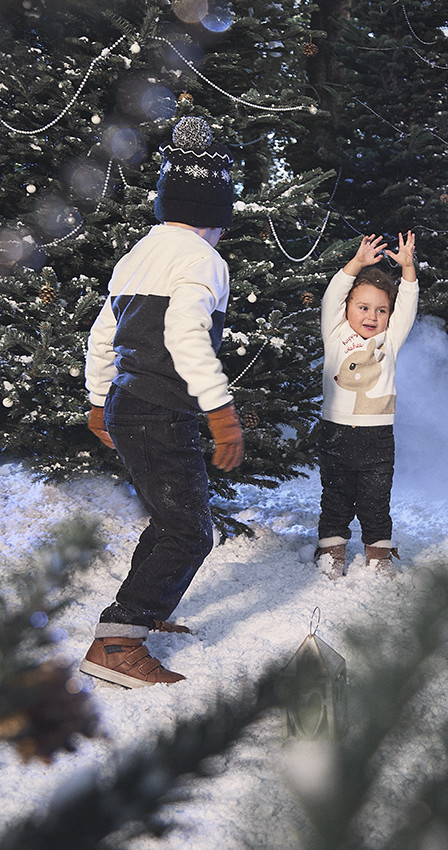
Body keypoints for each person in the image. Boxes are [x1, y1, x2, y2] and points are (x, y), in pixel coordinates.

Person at [81, 116, 244, 688]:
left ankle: (142, 614)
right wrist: (221, 412)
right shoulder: (202, 260)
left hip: (129, 404)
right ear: (214, 216)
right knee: (190, 532)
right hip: (158, 410)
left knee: (170, 518)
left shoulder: (139, 253)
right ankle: (118, 642)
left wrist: (98, 401)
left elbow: (103, 334)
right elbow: (185, 334)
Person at [316, 232, 418, 578]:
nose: (372, 316)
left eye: (381, 310)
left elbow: (408, 306)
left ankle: (378, 553)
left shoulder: (390, 340)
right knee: (336, 497)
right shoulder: (335, 333)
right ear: (347, 308)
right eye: (363, 307)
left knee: (376, 500)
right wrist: (357, 263)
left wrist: (408, 270)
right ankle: (331, 551)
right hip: (336, 432)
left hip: (378, 437)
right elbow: (332, 295)